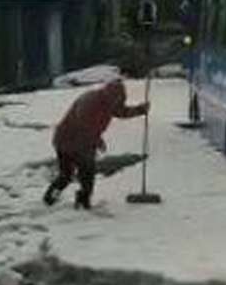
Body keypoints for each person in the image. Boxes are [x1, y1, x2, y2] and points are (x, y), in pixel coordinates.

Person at [44, 79, 149, 210]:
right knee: (73, 174)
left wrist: (140, 110)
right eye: (116, 101)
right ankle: (52, 199)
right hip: (68, 140)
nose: (116, 104)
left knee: (83, 174)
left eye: (119, 101)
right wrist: (97, 140)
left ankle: (80, 202)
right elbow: (83, 123)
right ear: (110, 96)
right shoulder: (90, 101)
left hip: (83, 142)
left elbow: (121, 112)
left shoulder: (109, 102)